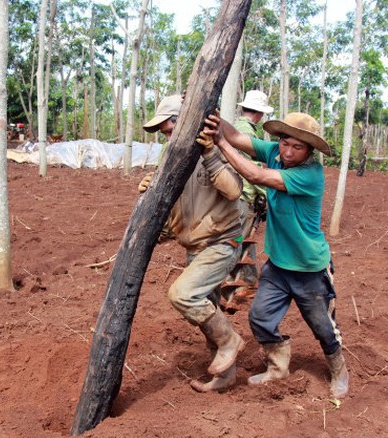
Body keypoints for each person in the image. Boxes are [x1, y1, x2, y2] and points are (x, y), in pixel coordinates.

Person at [202, 111, 349, 399]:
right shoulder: (274, 152)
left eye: (298, 147)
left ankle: (339, 369)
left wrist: (219, 142)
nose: (289, 151)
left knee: (323, 327)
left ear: (309, 151)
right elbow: (237, 137)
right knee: (260, 317)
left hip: (309, 268)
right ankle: (278, 367)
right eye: (285, 143)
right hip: (279, 265)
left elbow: (255, 175)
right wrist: (215, 120)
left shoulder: (310, 174)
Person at [139, 94, 245, 393]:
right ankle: (225, 376)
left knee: (183, 294)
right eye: (165, 134)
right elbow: (171, 220)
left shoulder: (214, 149)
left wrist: (211, 152)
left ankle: (230, 341)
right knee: (207, 309)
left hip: (221, 242)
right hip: (195, 248)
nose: (169, 138)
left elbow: (234, 191)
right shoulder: (170, 161)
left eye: (172, 130)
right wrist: (149, 193)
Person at [222, 91, 274, 304]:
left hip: (239, 193)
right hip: (244, 194)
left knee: (243, 238)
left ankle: (249, 281)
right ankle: (229, 281)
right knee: (237, 239)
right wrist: (264, 194)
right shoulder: (246, 132)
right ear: (260, 114)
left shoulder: (238, 127)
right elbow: (250, 169)